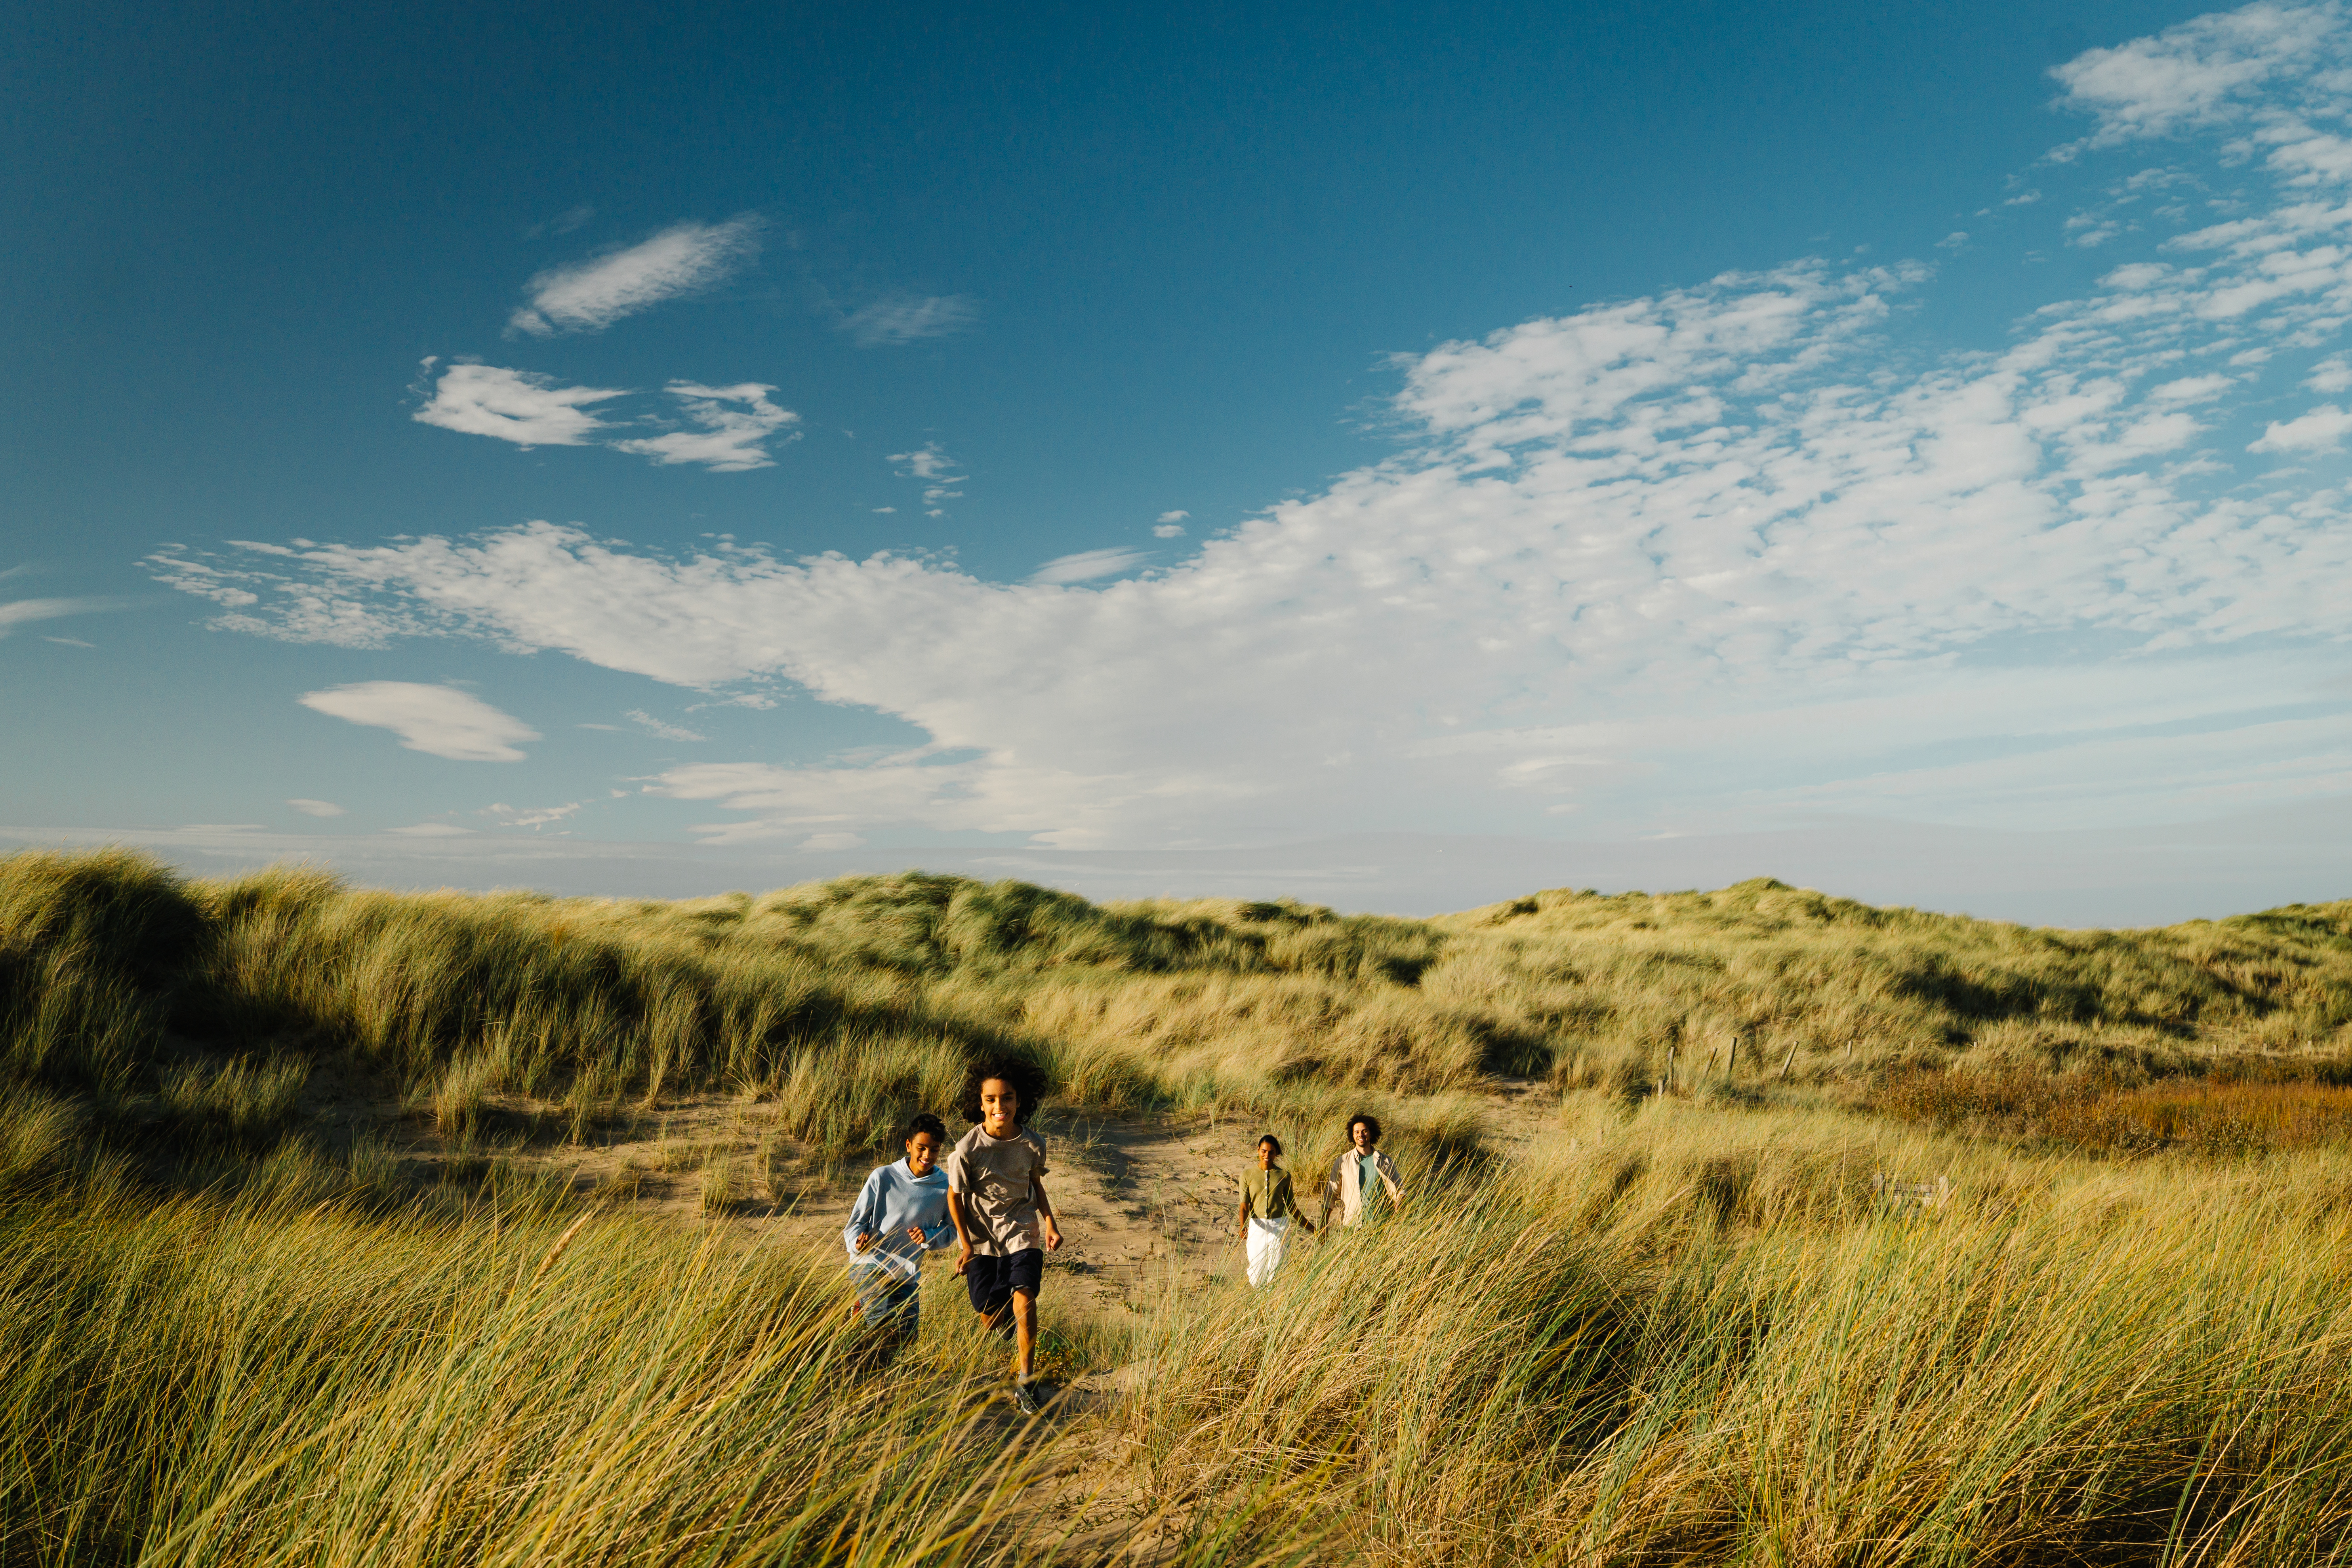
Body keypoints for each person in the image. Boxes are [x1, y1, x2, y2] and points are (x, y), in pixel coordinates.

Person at [945, 1060, 1063, 1414]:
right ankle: (1004, 1320)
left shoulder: (1033, 1143)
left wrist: (1050, 1223)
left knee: (1025, 1300)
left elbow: (1036, 1185)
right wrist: (966, 1244)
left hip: (1022, 1231)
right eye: (992, 1099)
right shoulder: (967, 1149)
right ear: (980, 1103)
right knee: (987, 1311)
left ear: (1019, 1100)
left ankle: (1026, 1382)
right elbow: (954, 1196)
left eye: (1008, 1098)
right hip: (982, 1239)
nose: (1001, 1107)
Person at [842, 1113, 956, 1361]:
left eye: (934, 1150)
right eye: (921, 1148)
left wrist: (928, 1236)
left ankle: (859, 1322)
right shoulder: (883, 1177)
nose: (927, 1156)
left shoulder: (945, 1187)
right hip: (869, 1263)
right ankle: (870, 1375)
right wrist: (858, 1242)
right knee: (881, 1322)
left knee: (907, 1335)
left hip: (907, 1271)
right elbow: (855, 1224)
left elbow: (952, 1229)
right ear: (908, 1146)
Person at [1236, 1133, 1314, 1286]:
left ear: (1277, 1153)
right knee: (1256, 1271)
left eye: (1272, 1152)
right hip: (1257, 1226)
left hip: (1280, 1227)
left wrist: (1314, 1230)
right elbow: (1244, 1205)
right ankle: (1259, 1304)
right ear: (1258, 1150)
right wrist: (1242, 1226)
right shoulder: (1247, 1175)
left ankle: (1270, 1305)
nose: (1267, 1155)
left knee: (1276, 1270)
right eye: (1264, 1151)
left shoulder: (1284, 1175)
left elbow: (1292, 1207)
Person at [1320, 1112, 1404, 1229]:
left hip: (1379, 1226)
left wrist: (1399, 1203)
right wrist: (1323, 1225)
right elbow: (1331, 1194)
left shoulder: (1384, 1161)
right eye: (1357, 1132)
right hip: (1350, 1226)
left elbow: (1399, 1189)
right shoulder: (1342, 1162)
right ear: (1353, 1136)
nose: (1361, 1135)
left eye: (1365, 1131)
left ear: (1371, 1134)